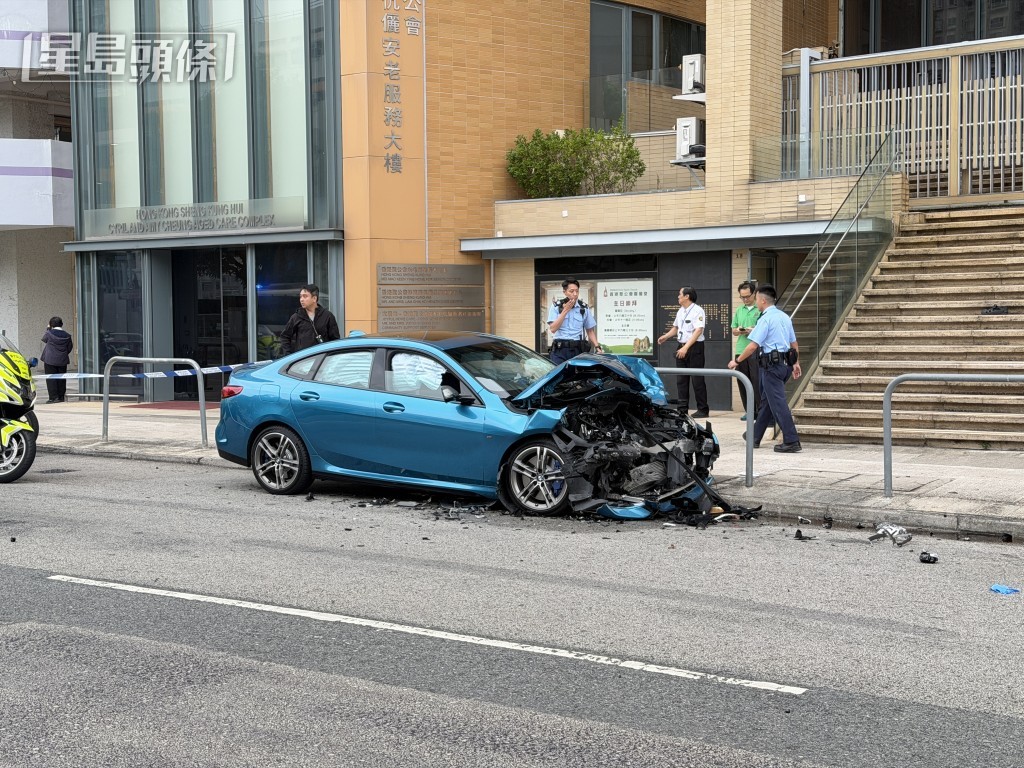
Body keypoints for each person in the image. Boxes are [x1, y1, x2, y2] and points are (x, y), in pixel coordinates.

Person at [728, 283, 802, 453]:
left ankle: (791, 440)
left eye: (757, 298)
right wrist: (796, 363)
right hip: (785, 366)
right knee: (767, 402)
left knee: (778, 403)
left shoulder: (765, 318)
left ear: (761, 300)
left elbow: (753, 346)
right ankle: (754, 436)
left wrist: (737, 361)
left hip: (772, 367)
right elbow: (794, 343)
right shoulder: (784, 316)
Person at [656, 286, 709, 418]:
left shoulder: (698, 310)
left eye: (680, 294)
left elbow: (698, 331)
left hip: (695, 347)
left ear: (687, 296)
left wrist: (686, 348)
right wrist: (666, 336)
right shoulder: (680, 311)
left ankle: (703, 409)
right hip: (681, 345)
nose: (678, 297)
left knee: (697, 379)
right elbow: (676, 327)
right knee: (681, 380)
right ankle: (682, 409)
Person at [546, 278, 601, 364]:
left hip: (577, 349)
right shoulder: (556, 306)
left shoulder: (584, 308)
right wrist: (565, 310)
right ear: (564, 292)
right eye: (571, 291)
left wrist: (597, 347)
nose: (575, 294)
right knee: (559, 375)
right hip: (560, 350)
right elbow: (553, 329)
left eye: (577, 291)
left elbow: (590, 330)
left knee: (577, 376)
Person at [279, 284, 341, 356]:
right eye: (300, 296)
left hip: (321, 360)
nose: (301, 299)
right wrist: (289, 355)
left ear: (314, 298)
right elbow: (285, 336)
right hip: (302, 360)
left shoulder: (327, 316)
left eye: (305, 296)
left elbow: (335, 340)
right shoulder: (296, 317)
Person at [730, 281, 761, 421]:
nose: (745, 299)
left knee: (756, 380)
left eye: (747, 296)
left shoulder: (759, 309)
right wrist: (740, 330)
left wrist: (752, 330)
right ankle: (748, 410)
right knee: (742, 381)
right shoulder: (739, 310)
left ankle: (760, 410)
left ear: (754, 294)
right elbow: (733, 330)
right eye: (742, 297)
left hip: (755, 349)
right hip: (741, 349)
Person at [41, 316, 73, 404]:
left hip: (50, 360)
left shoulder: (49, 333)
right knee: (62, 378)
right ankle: (61, 397)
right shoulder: (67, 335)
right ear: (62, 324)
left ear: (51, 325)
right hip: (62, 360)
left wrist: (48, 328)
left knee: (51, 378)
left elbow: (44, 339)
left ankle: (53, 398)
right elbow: (69, 348)